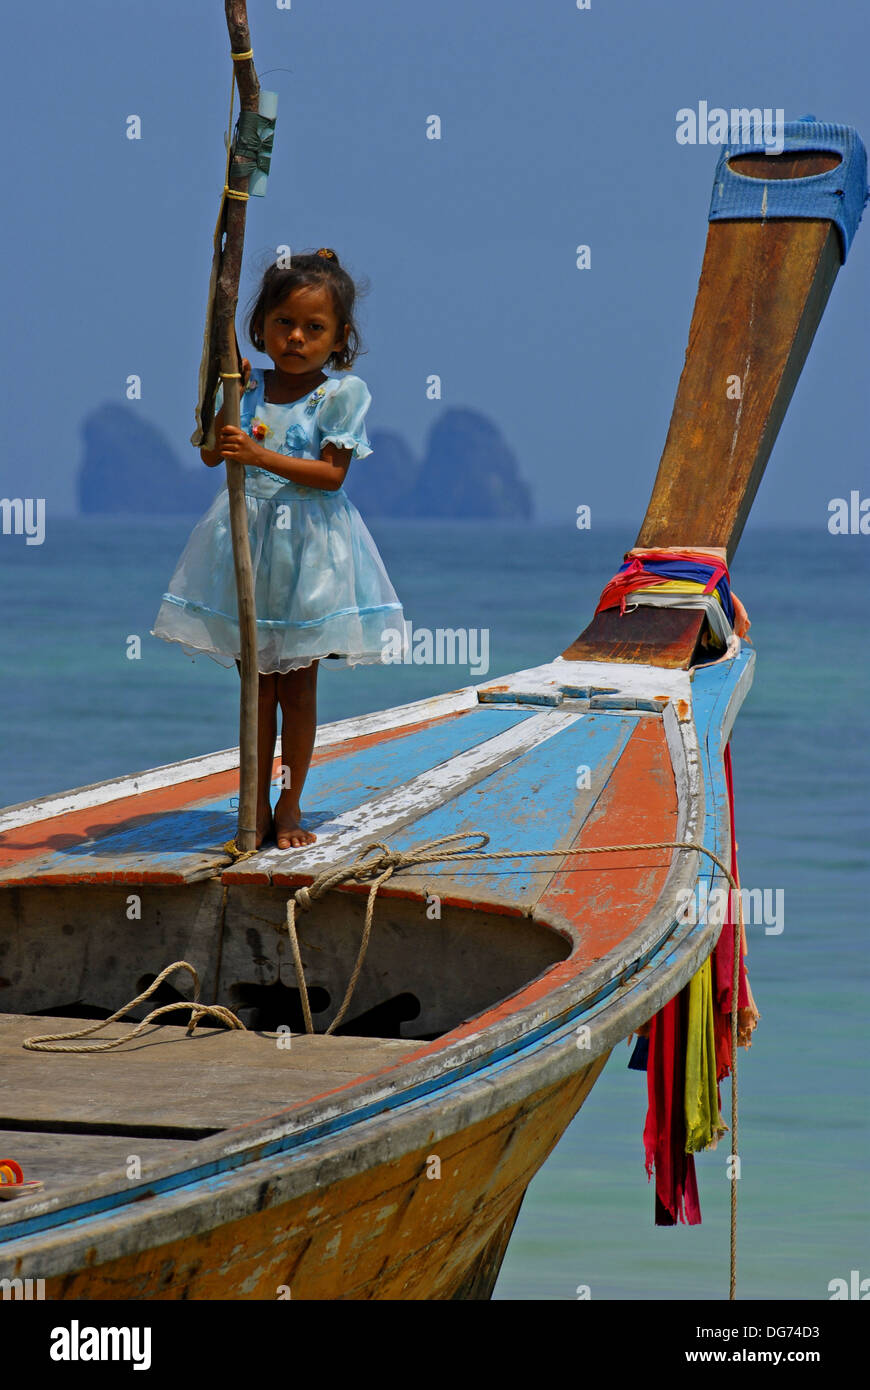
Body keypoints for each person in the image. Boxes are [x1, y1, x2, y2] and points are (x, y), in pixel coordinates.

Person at [151, 248, 404, 850]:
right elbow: (214, 454)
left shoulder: (341, 395)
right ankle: (254, 805)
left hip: (310, 558)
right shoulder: (248, 388)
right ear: (260, 324)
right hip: (247, 547)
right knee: (255, 688)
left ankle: (290, 808)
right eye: (283, 323)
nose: (295, 338)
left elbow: (332, 475)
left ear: (339, 338)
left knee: (299, 689)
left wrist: (261, 456)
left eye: (313, 328)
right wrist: (223, 391)